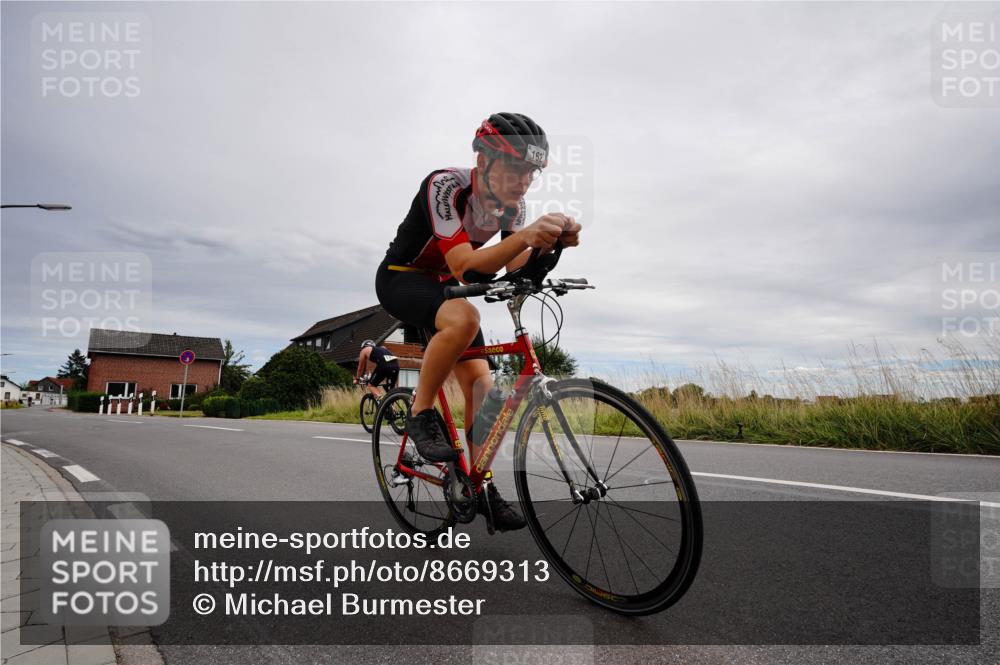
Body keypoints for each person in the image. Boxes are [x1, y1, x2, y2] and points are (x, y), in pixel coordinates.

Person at [374, 112, 582, 531]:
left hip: (446, 288)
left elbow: (512, 264)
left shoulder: (513, 206)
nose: (524, 181)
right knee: (465, 316)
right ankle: (421, 413)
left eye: (532, 173)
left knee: (484, 389)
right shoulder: (446, 186)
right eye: (516, 168)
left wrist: (550, 246)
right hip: (402, 278)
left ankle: (479, 485)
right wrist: (525, 237)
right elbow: (467, 266)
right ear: (484, 160)